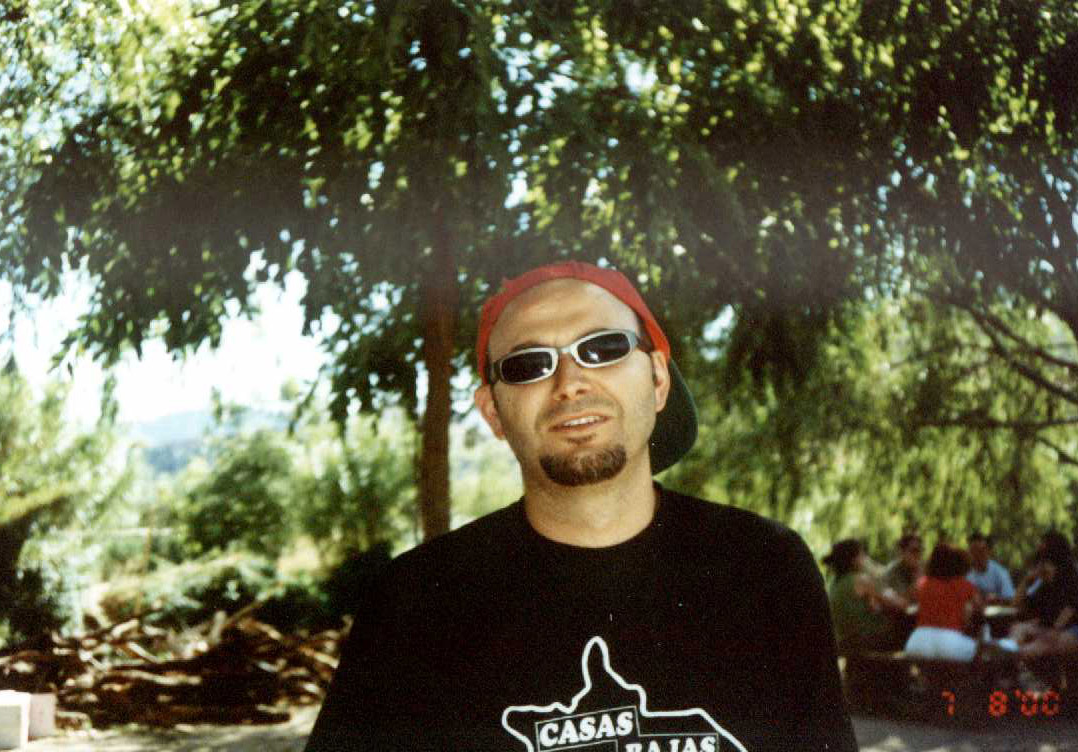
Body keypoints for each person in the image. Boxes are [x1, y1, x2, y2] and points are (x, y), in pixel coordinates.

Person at [304, 262, 857, 751]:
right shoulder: (415, 601)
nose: (570, 383)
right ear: (493, 412)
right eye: (529, 365)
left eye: (604, 348)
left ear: (657, 379)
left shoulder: (764, 568)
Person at [1009, 531, 1078, 661]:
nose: (1042, 562)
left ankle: (1014, 660)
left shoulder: (1076, 576)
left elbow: (1070, 609)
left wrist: (1048, 633)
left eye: (1046, 557)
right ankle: (1009, 654)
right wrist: (1027, 580)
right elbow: (1016, 605)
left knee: (1038, 646)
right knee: (1018, 629)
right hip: (1065, 630)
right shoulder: (1046, 580)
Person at [822, 539, 908, 655]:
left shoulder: (834, 584)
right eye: (862, 555)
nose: (866, 559)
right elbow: (901, 604)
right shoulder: (861, 580)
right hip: (869, 640)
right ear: (854, 559)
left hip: (844, 642)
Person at [903, 543, 984, 661]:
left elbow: (908, 599)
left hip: (917, 642)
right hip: (950, 642)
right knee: (981, 651)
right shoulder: (964, 585)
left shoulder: (923, 583)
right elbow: (980, 607)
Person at [965, 532, 1014, 603]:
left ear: (988, 551)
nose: (977, 555)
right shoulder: (965, 573)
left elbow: (1010, 598)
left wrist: (996, 599)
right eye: (973, 551)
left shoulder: (1000, 572)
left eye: (980, 551)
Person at [882, 532, 923, 603]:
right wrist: (917, 580)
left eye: (919, 551)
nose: (917, 555)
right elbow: (903, 599)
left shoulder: (921, 568)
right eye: (913, 551)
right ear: (902, 552)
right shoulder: (893, 571)